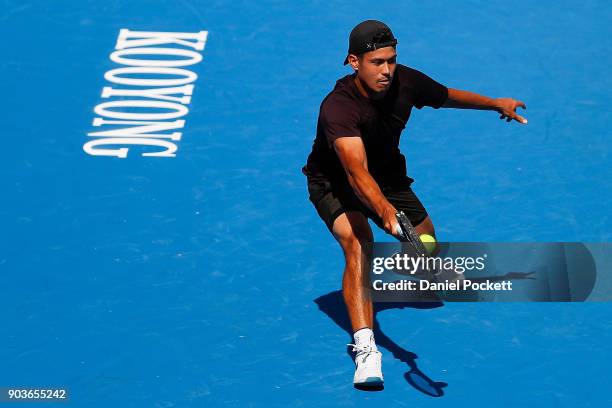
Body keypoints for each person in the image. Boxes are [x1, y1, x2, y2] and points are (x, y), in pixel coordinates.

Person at [302, 20, 527, 387]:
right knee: (359, 244)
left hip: (388, 177)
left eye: (391, 60)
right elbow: (357, 174)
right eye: (377, 62)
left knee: (428, 244)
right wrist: (386, 213)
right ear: (353, 62)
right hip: (335, 185)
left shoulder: (405, 81)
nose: (386, 71)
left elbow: (446, 95)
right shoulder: (338, 109)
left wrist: (494, 103)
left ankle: (417, 267)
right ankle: (365, 348)